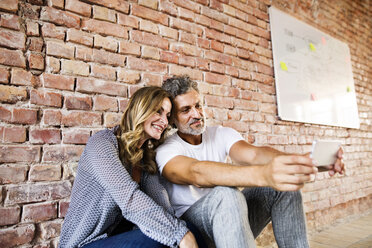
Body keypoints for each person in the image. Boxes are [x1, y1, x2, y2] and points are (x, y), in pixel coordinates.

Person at [156, 76, 345, 248]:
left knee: (282, 187)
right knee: (226, 194)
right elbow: (197, 173)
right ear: (172, 118)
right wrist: (264, 174)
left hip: (233, 222)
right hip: (196, 233)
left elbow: (254, 155)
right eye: (186, 110)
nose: (196, 114)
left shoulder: (220, 134)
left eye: (198, 105)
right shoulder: (166, 150)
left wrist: (305, 161)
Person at [59, 86, 202, 248]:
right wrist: (180, 234)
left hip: (119, 238)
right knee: (171, 236)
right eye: (158, 111)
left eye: (168, 116)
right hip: (85, 242)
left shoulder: (145, 157)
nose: (164, 121)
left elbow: (160, 202)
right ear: (140, 108)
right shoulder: (102, 143)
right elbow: (129, 198)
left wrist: (182, 231)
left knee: (190, 230)